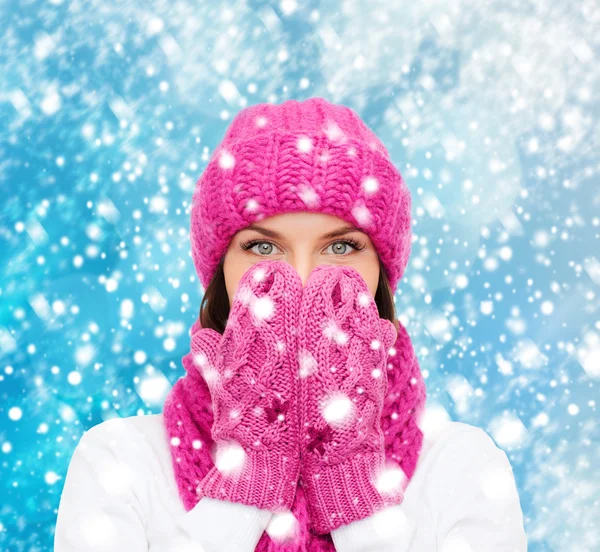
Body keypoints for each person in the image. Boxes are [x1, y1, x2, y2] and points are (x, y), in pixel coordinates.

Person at [54, 97, 528, 551]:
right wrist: (249, 474)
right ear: (220, 273)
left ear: (381, 274)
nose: (301, 280)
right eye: (263, 248)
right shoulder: (122, 462)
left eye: (341, 247)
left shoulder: (462, 466)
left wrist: (351, 484)